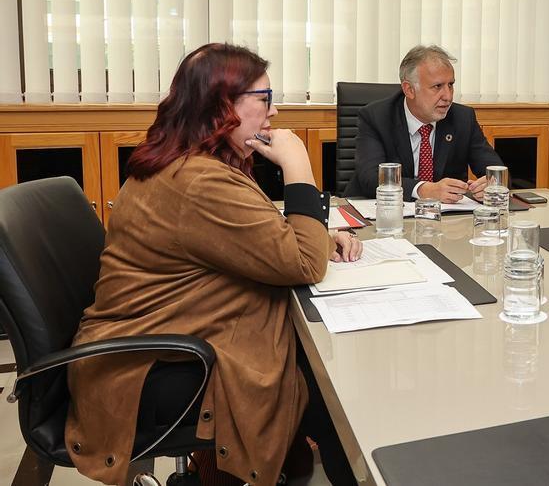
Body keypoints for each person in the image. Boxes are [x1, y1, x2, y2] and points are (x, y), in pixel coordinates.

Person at [65, 43, 361, 486]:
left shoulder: (191, 163)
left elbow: (258, 238)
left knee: (318, 372)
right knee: (329, 386)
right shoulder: (197, 181)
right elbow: (303, 262)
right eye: (264, 99)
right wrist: (299, 167)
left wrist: (314, 234)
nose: (274, 112)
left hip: (154, 344)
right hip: (146, 369)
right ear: (223, 108)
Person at [346, 45, 503, 202]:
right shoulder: (376, 117)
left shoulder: (463, 118)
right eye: (437, 86)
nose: (448, 96)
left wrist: (492, 184)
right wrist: (423, 189)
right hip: (381, 212)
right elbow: (370, 178)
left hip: (445, 218)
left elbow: (497, 170)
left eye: (451, 85)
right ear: (409, 90)